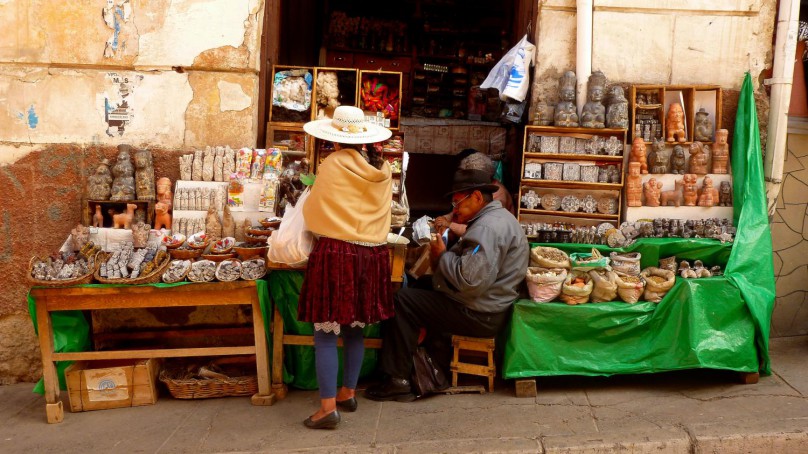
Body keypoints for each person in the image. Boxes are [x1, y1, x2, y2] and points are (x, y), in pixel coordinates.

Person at [364, 151, 529, 402]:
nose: (455, 210)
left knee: (402, 301)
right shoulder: (496, 217)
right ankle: (423, 356)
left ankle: (397, 379)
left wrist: (442, 257)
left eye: (458, 204)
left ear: (476, 197)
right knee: (420, 284)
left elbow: (470, 282)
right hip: (485, 304)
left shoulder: (487, 228)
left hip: (480, 313)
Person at [298, 105, 394, 429]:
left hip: (336, 254)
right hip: (371, 256)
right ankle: (347, 392)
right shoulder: (379, 170)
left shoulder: (332, 165)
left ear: (335, 140)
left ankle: (327, 409)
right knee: (355, 328)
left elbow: (314, 211)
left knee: (325, 331)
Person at [435, 149, 514, 243]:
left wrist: (450, 225)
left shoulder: (498, 196)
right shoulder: (476, 189)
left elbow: (479, 232)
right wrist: (445, 219)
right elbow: (460, 207)